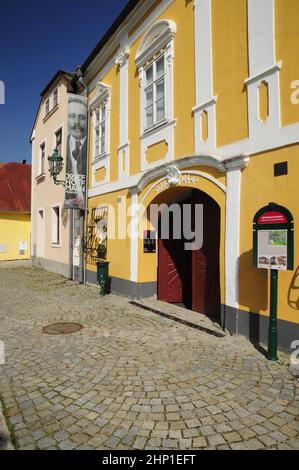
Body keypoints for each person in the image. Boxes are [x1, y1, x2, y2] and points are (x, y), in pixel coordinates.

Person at [64, 95, 87, 209]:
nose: (76, 122)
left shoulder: (89, 145)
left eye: (82, 117)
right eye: (72, 116)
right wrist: (67, 202)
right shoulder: (65, 145)